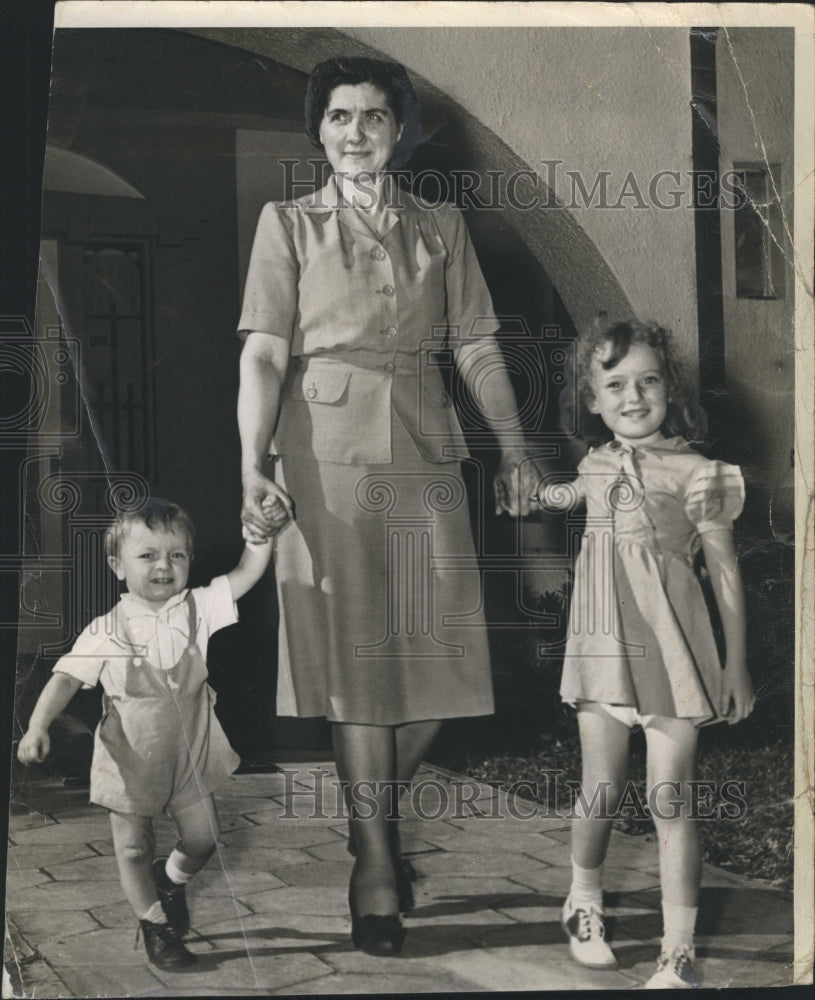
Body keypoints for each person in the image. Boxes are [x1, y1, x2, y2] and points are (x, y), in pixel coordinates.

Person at [238, 56, 540, 954]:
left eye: (373, 116)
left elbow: (476, 343)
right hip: (320, 459)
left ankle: (366, 819)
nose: (356, 132)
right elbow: (263, 352)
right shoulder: (288, 224)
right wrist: (251, 464)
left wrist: (515, 447)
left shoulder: (441, 224)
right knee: (357, 672)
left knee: (446, 658)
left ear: (399, 130)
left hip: (425, 446)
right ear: (318, 130)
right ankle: (375, 865)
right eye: (339, 116)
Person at [536, 319, 754, 989]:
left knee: (669, 800)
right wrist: (530, 490)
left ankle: (676, 952)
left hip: (673, 653)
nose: (632, 396)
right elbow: (565, 496)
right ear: (592, 400)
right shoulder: (593, 464)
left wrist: (735, 663)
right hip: (602, 653)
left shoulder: (700, 472)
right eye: (614, 385)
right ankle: (583, 902)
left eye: (648, 380)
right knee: (599, 789)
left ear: (670, 389)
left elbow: (724, 572)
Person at [17, 499, 274, 969]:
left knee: (204, 839)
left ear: (190, 561)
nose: (163, 566)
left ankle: (170, 879)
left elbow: (247, 573)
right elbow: (66, 678)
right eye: (147, 555)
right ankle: (155, 924)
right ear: (117, 566)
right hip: (130, 760)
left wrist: (262, 534)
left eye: (176, 555)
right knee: (134, 847)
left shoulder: (200, 607)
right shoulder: (105, 630)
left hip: (190, 756)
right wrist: (37, 726)